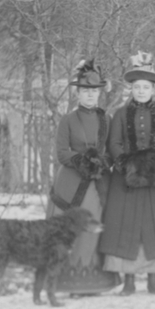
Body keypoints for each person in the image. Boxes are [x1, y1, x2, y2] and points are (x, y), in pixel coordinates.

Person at [98, 52, 155, 296]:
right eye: (136, 87)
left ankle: (154, 279)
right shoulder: (120, 114)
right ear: (131, 89)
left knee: (154, 226)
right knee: (127, 226)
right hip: (127, 180)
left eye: (145, 87)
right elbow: (113, 143)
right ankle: (128, 281)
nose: (141, 91)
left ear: (153, 89)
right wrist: (126, 164)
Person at [46, 59, 119, 295]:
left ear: (99, 94)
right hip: (71, 184)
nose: (90, 96)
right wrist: (82, 161)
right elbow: (62, 152)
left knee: (93, 228)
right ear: (78, 93)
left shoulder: (105, 120)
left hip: (96, 184)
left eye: (94, 91)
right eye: (85, 91)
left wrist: (101, 162)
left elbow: (110, 151)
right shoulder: (68, 120)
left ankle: (93, 282)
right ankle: (70, 282)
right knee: (73, 228)